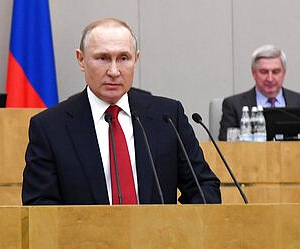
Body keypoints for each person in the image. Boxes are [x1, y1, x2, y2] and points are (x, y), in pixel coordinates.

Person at [22, 18, 221, 205]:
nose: (114, 71)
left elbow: (204, 187)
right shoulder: (50, 127)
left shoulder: (168, 116)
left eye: (123, 58)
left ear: (136, 59)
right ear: (81, 59)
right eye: (103, 58)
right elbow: (40, 206)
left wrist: (176, 233)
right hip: (84, 241)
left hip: (159, 240)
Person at [218, 44, 300, 141]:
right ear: (253, 73)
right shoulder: (234, 105)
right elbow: (224, 146)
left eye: (276, 72)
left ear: (284, 72)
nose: (270, 78)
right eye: (264, 72)